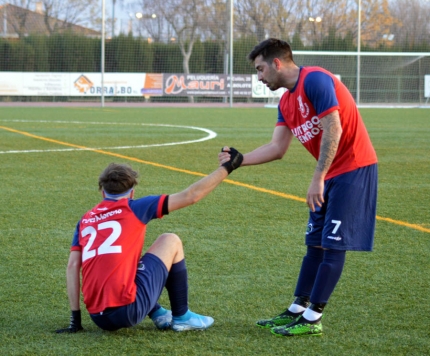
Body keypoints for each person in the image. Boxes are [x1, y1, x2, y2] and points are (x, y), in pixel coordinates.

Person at [219, 38, 378, 337]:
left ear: (277, 63)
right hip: (331, 172)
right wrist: (239, 161)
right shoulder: (285, 102)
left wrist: (318, 176)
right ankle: (296, 309)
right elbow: (277, 147)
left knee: (331, 244)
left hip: (354, 168)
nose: (259, 77)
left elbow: (334, 126)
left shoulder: (315, 79)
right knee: (313, 244)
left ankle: (313, 317)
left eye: (261, 69)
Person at [56, 148, 243, 333]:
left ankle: (158, 313)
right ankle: (182, 316)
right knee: (170, 240)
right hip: (128, 311)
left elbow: (73, 266)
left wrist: (75, 320)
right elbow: (191, 196)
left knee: (125, 262)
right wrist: (227, 167)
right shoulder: (135, 207)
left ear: (103, 192)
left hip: (98, 317)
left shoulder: (85, 220)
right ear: (132, 193)